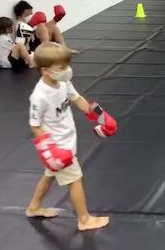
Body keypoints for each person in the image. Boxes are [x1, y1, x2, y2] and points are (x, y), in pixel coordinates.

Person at [26, 42, 116, 231]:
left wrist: (100, 116)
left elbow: (78, 99)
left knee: (49, 176)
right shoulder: (39, 96)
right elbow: (34, 125)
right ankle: (84, 219)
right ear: (45, 71)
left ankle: (33, 207)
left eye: (67, 65)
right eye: (62, 68)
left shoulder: (64, 83)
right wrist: (50, 150)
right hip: (59, 147)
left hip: (67, 140)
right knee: (75, 180)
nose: (67, 70)